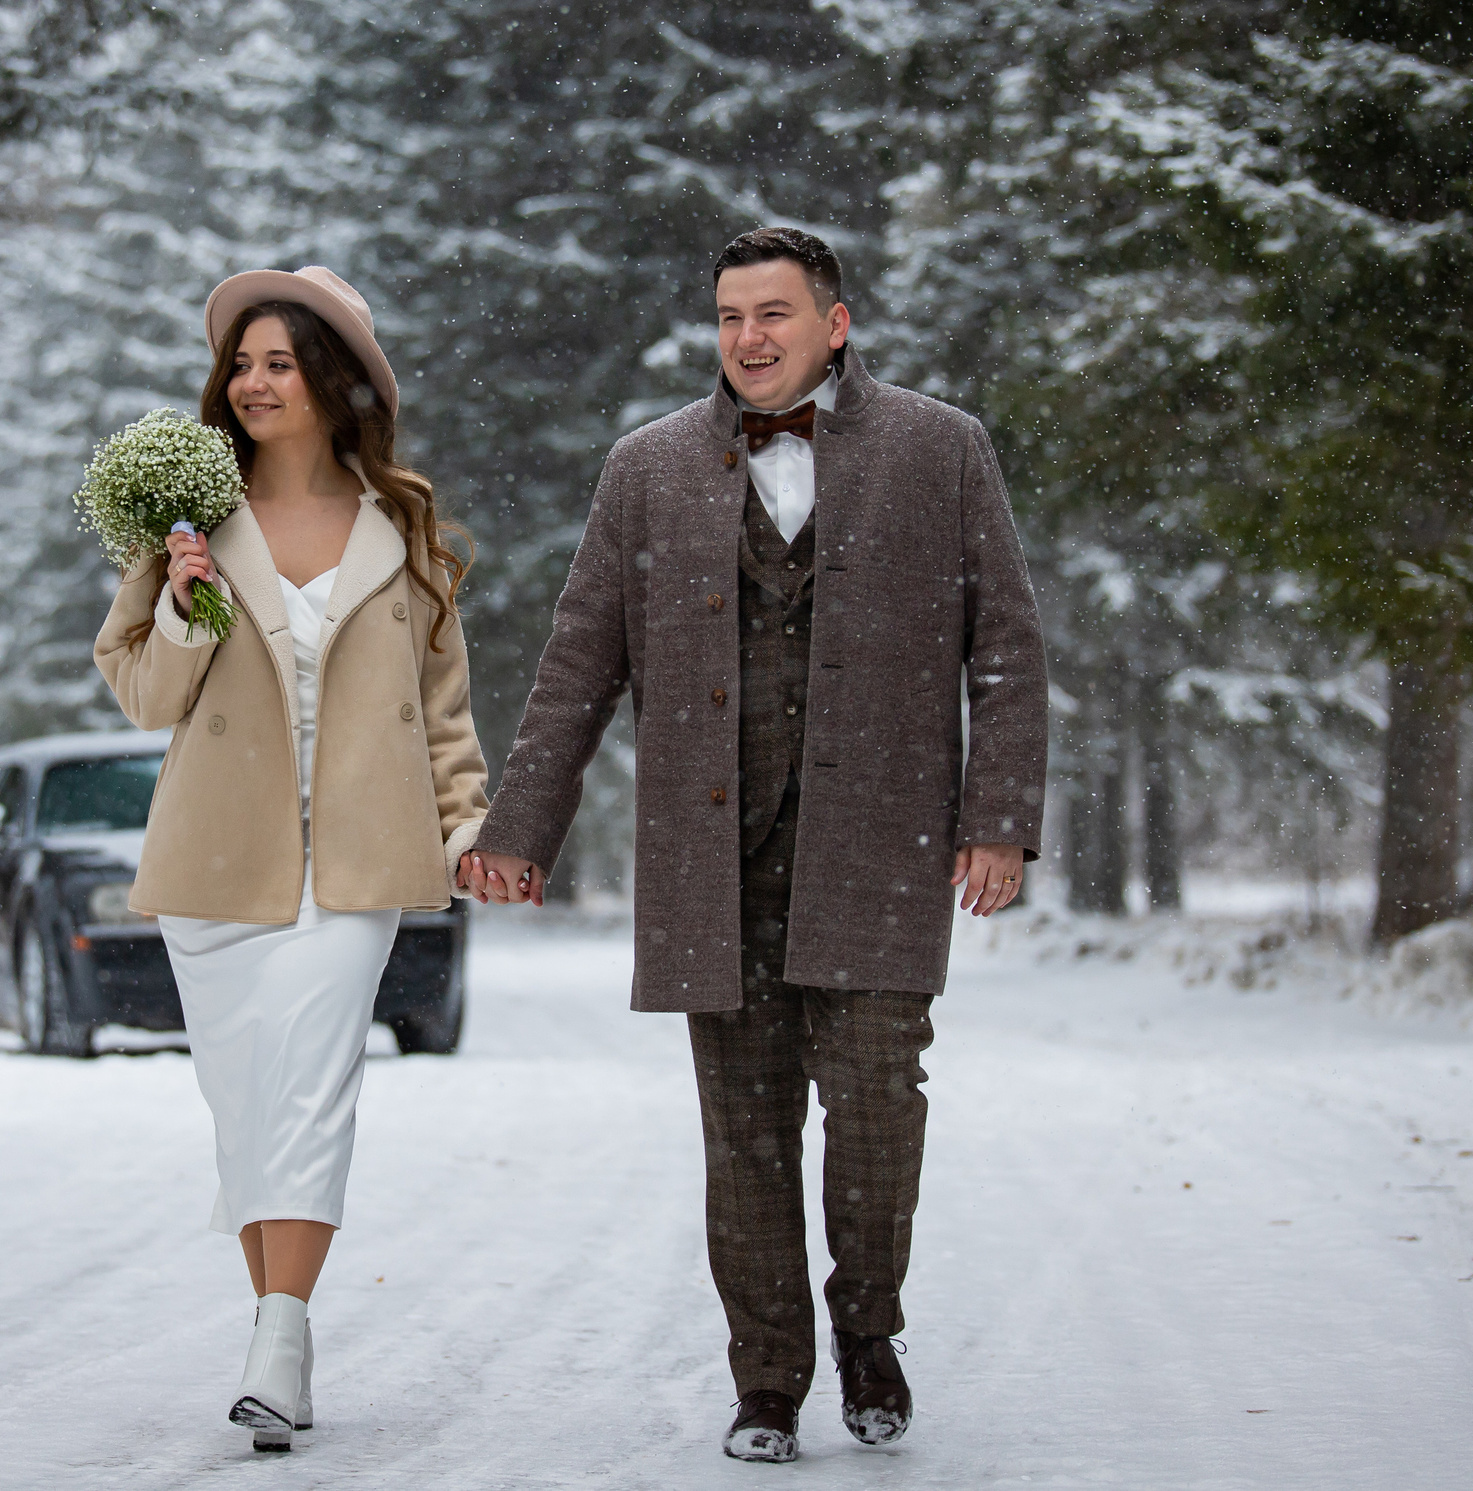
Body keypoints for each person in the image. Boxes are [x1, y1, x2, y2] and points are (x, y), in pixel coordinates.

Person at [461, 227, 1048, 1464]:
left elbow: (1003, 645)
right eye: (730, 316)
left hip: (880, 846)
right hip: (707, 858)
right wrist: (519, 829)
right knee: (743, 1131)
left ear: (835, 323)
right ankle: (768, 1379)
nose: (749, 338)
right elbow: (579, 662)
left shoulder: (940, 447)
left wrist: (997, 819)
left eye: (774, 313)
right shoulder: (647, 468)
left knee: (881, 1105)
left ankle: (869, 1326)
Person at [93, 265, 489, 1453]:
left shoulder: (404, 530)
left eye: (279, 362)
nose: (254, 382)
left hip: (359, 862)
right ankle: (281, 1333)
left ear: (335, 382)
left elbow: (446, 711)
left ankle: (278, 1335)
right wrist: (179, 600)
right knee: (249, 1110)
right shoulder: (189, 519)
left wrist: (469, 832)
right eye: (242, 363)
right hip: (218, 861)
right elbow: (142, 694)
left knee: (316, 1087)